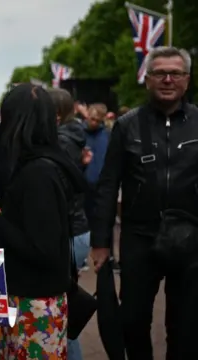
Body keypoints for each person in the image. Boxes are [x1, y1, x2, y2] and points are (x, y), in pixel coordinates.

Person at [90, 46, 198, 359]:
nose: (167, 79)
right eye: (159, 73)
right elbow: (108, 185)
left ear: (186, 80)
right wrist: (100, 242)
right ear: (146, 79)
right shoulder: (127, 125)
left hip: (190, 237)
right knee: (133, 321)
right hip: (140, 236)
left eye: (175, 73)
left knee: (186, 325)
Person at [0, 84, 86, 359]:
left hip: (35, 303)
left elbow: (44, 250)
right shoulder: (42, 163)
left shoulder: (38, 173)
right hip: (30, 297)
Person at [48, 87, 91, 360]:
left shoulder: (61, 141)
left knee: (61, 312)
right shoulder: (72, 137)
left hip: (70, 230)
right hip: (77, 227)